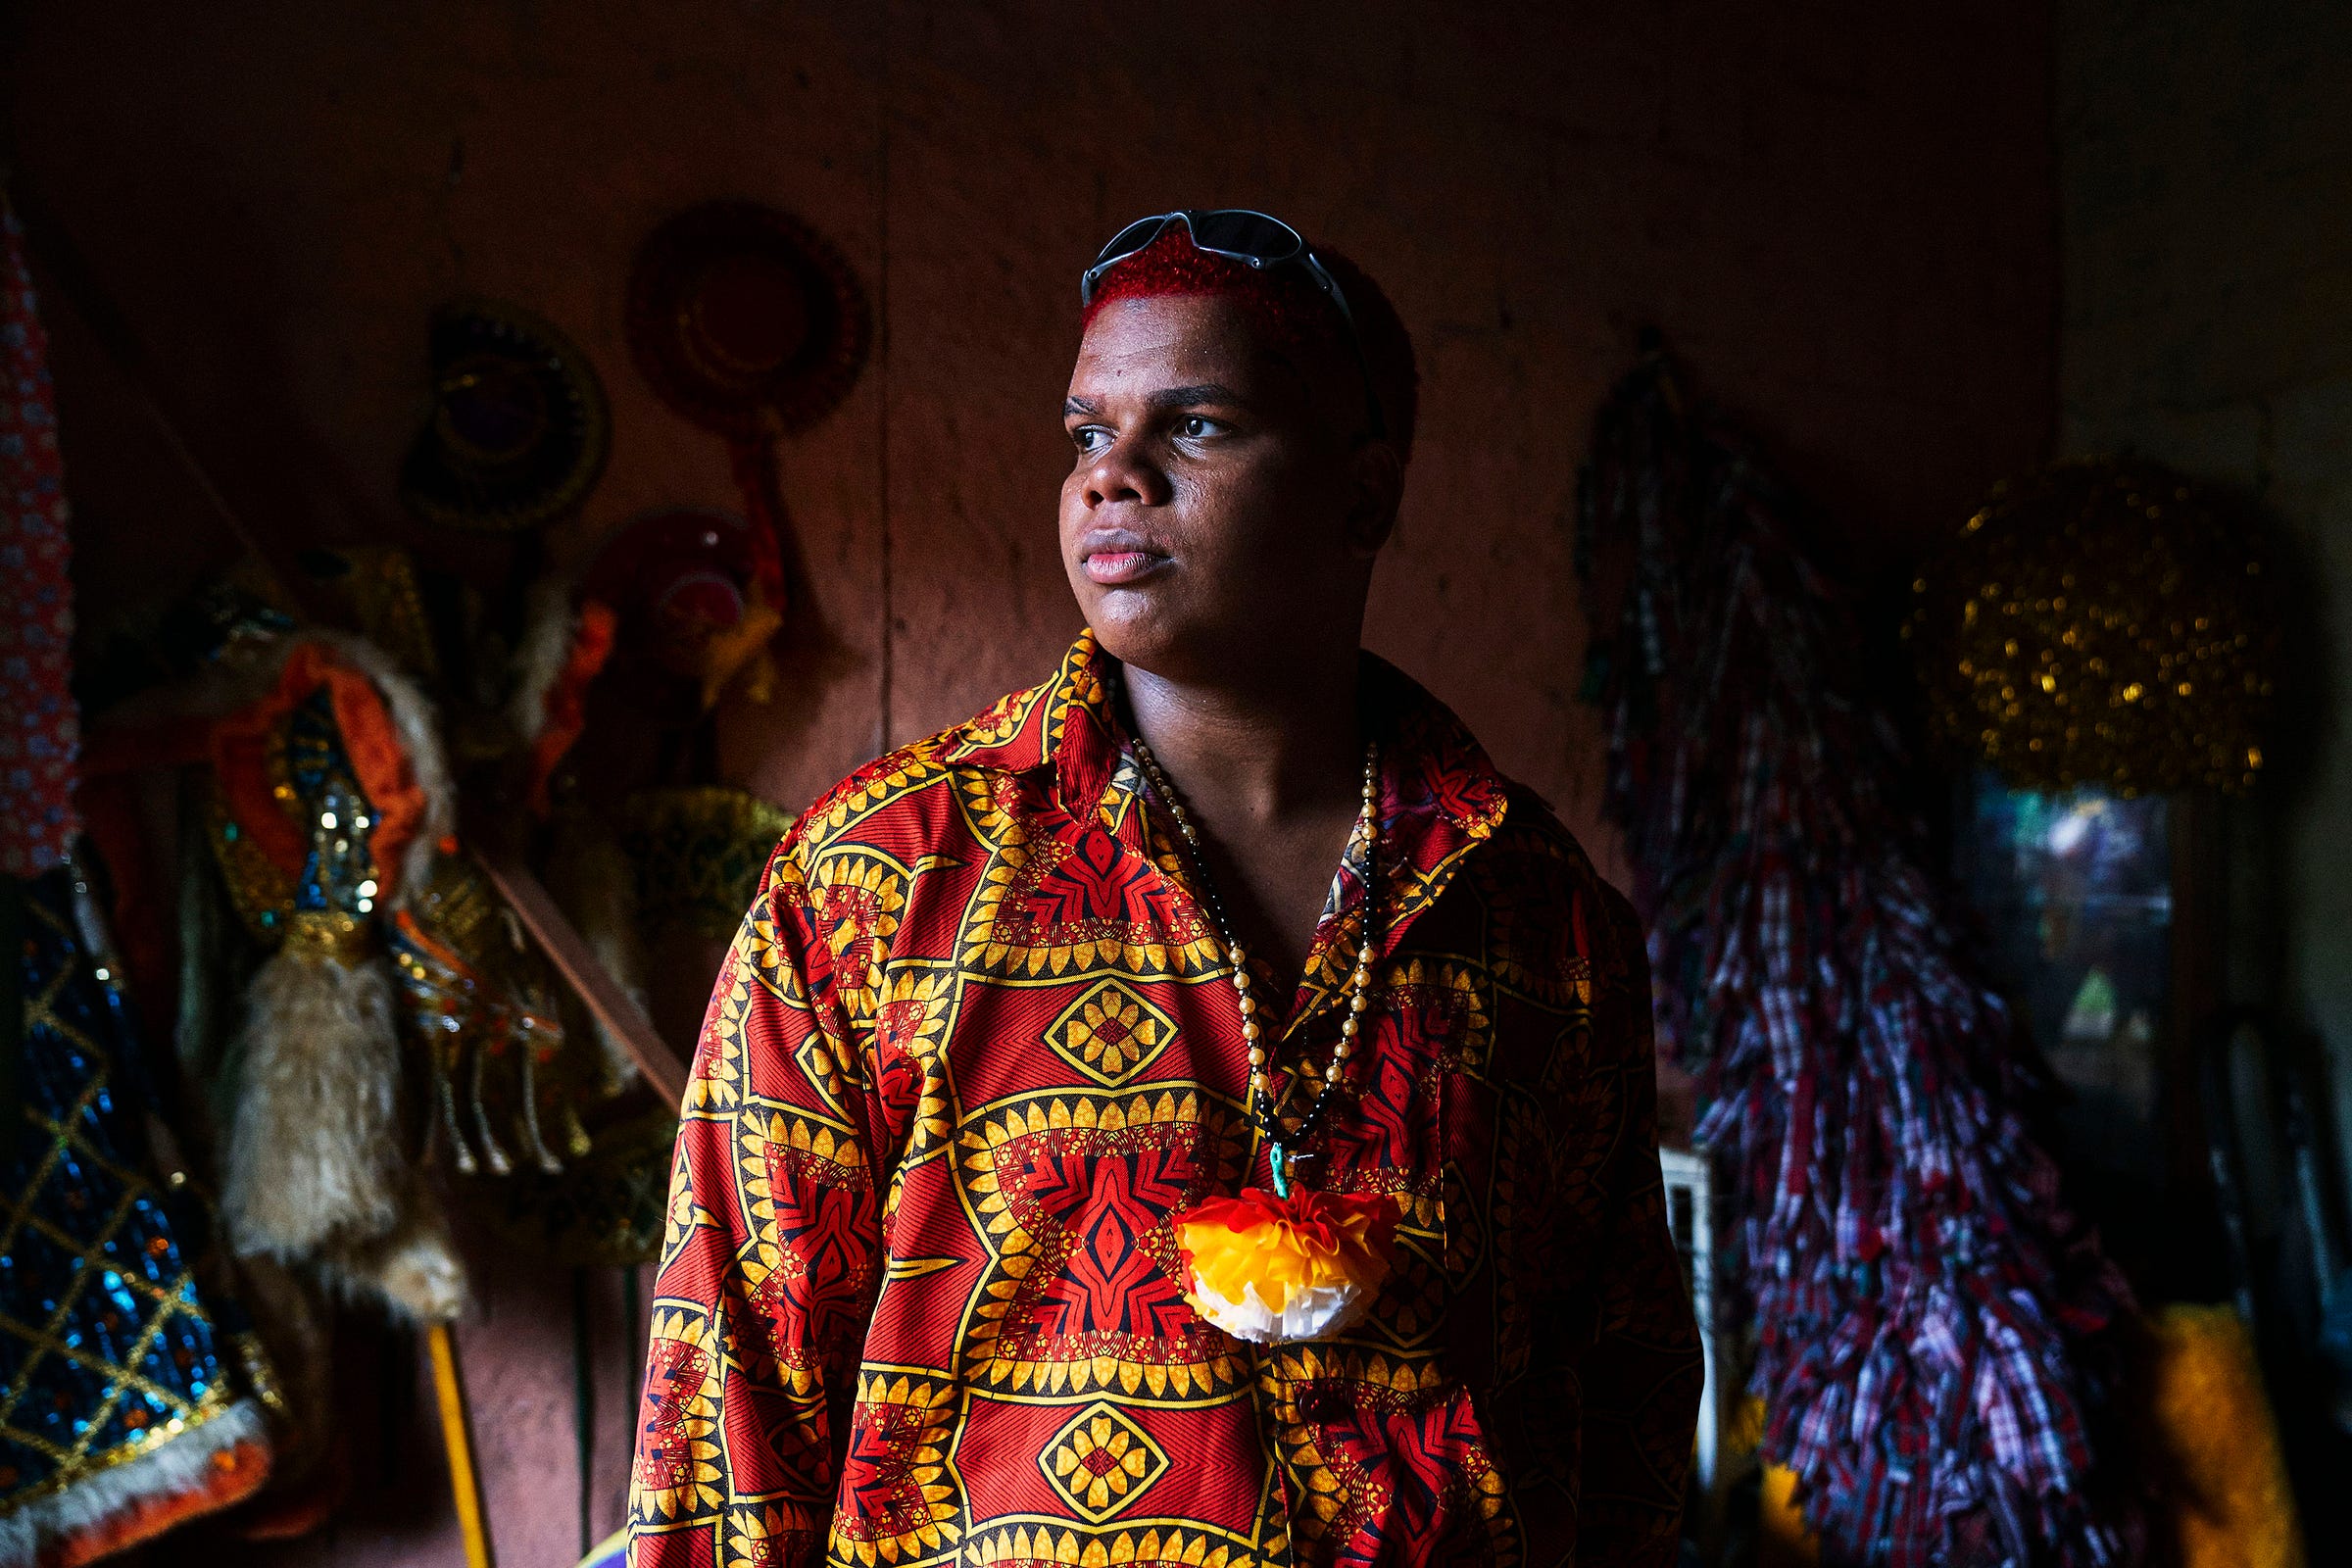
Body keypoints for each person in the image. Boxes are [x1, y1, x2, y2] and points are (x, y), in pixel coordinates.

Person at [627, 210, 1701, 1568]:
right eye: (1087, 433)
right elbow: (729, 1394)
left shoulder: (1539, 914)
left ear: (1364, 497)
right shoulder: (880, 876)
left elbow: (1625, 1398)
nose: (1111, 477)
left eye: (1194, 426)